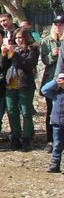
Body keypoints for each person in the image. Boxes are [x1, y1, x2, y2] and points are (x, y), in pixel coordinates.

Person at [5, 27, 39, 151]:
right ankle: (15, 138)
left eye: (21, 37)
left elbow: (29, 64)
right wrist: (5, 54)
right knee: (12, 112)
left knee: (26, 112)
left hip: (25, 84)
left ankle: (26, 139)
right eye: (17, 38)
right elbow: (4, 64)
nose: (18, 40)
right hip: (11, 83)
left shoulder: (33, 50)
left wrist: (16, 54)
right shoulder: (13, 49)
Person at [40, 16, 63, 153]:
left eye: (61, 24)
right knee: (51, 112)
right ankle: (51, 141)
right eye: (56, 24)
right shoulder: (47, 40)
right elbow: (44, 60)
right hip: (51, 80)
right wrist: (53, 55)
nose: (58, 27)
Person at [41, 73, 64, 172]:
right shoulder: (56, 93)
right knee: (57, 144)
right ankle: (54, 164)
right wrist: (55, 81)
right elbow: (44, 90)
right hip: (57, 122)